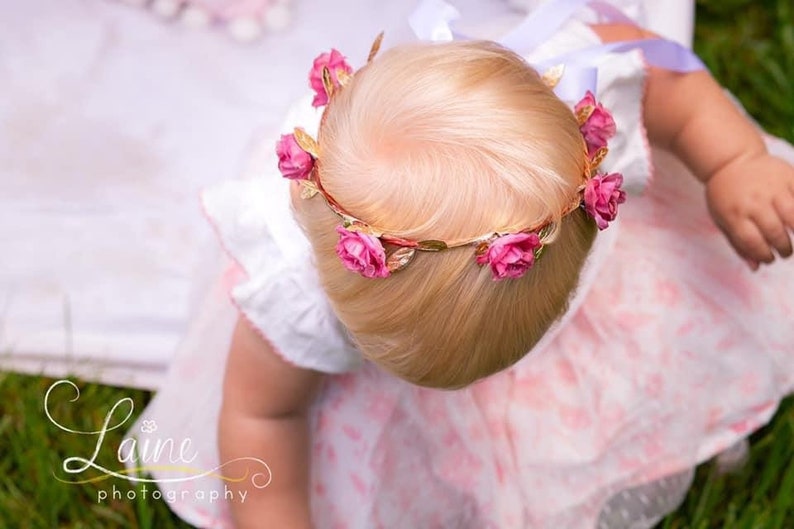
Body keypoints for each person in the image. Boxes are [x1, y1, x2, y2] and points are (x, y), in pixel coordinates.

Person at [135, 2, 794, 528]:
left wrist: (734, 161)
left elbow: (666, 78)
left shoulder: (588, 86)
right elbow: (261, 417)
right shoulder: (299, 286)